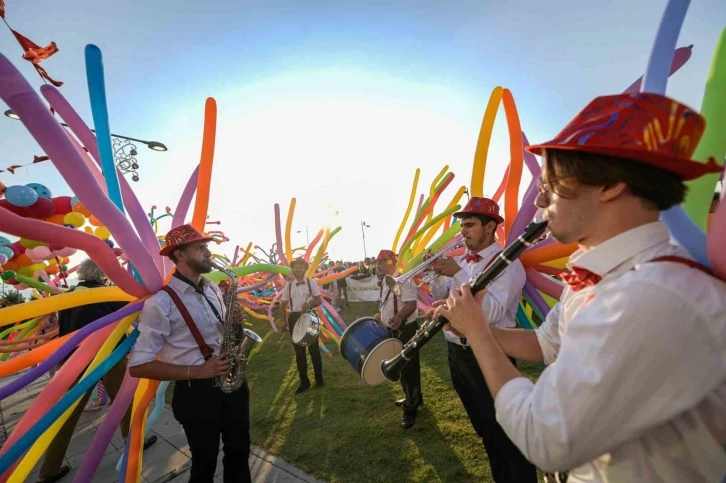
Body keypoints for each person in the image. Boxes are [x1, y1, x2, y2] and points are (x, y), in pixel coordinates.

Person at [436, 93, 726, 482]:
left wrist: (478, 335)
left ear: (611, 185)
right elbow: (546, 343)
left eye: (552, 182)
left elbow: (544, 437)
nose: (540, 198)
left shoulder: (650, 296)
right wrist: (475, 326)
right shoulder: (601, 272)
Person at [129, 224, 252, 483]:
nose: (208, 253)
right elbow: (138, 366)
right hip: (196, 394)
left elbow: (224, 337)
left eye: (207, 247)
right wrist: (198, 371)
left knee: (239, 452)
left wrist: (236, 324)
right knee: (204, 464)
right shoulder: (159, 303)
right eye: (200, 248)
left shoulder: (212, 289)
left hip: (232, 384)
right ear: (180, 254)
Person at [427, 198, 536, 483]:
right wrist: (436, 275)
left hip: (489, 355)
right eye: (462, 225)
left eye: (469, 225)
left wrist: (458, 274)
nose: (463, 232)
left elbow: (490, 312)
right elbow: (447, 296)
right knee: (486, 432)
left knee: (508, 438)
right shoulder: (461, 261)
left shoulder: (508, 264)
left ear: (490, 228)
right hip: (457, 355)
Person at [38, 259, 157, 483]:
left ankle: (48, 471)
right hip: (109, 356)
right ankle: (133, 441)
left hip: (76, 359)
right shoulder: (109, 293)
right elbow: (129, 317)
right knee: (124, 400)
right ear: (102, 274)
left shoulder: (69, 295)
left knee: (67, 414)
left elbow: (64, 329)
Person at [375, 250, 422, 429]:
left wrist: (400, 317)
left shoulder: (405, 279)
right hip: (394, 330)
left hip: (406, 329)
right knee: (401, 367)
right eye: (377, 263)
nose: (377, 266)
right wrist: (380, 316)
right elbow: (386, 304)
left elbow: (411, 304)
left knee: (409, 368)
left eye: (381, 262)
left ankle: (411, 409)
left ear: (391, 263)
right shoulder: (385, 283)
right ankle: (413, 398)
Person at [279, 258, 324, 394]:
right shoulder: (288, 286)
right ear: (293, 270)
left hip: (309, 317)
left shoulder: (311, 283)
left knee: (314, 350)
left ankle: (319, 378)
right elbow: (282, 303)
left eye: (300, 267)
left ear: (305, 269)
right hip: (294, 318)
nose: (298, 269)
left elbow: (319, 299)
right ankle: (304, 382)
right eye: (296, 267)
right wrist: (283, 321)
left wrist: (310, 304)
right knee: (299, 353)